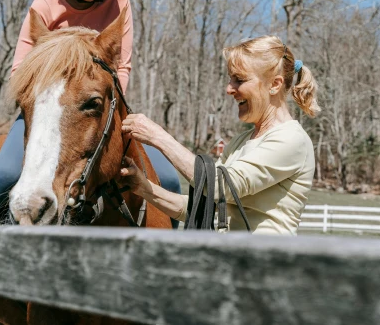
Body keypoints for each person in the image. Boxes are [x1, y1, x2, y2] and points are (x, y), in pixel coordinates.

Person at [0, 0, 181, 225]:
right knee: (2, 174)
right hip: (46, 111)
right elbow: (20, 71)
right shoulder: (45, 5)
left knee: (168, 179)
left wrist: (107, 108)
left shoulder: (121, 4)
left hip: (103, 109)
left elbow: (122, 65)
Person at [119, 36, 320, 235]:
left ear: (275, 85)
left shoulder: (291, 140)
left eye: (239, 80)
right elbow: (202, 205)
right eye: (230, 79)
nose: (229, 89)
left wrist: (157, 136)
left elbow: (218, 186)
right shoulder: (242, 141)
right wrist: (143, 187)